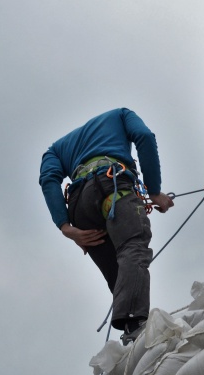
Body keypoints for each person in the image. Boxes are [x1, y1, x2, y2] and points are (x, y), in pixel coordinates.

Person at [39, 108, 173, 345]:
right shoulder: (120, 115)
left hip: (80, 206)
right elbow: (144, 136)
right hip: (112, 185)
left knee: (118, 270)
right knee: (133, 246)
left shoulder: (55, 150)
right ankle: (134, 324)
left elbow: (49, 179)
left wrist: (65, 227)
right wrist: (153, 190)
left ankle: (132, 334)